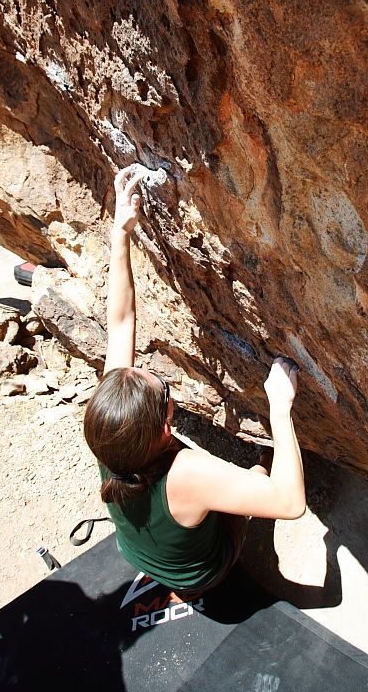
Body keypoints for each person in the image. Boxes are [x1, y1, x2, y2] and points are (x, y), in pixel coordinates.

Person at [83, 166, 305, 594]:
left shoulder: (110, 432)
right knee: (259, 477)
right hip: (201, 574)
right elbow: (290, 503)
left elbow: (121, 322)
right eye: (162, 389)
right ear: (166, 427)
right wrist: (280, 408)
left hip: (143, 553)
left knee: (231, 485)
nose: (148, 372)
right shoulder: (186, 473)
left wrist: (121, 232)